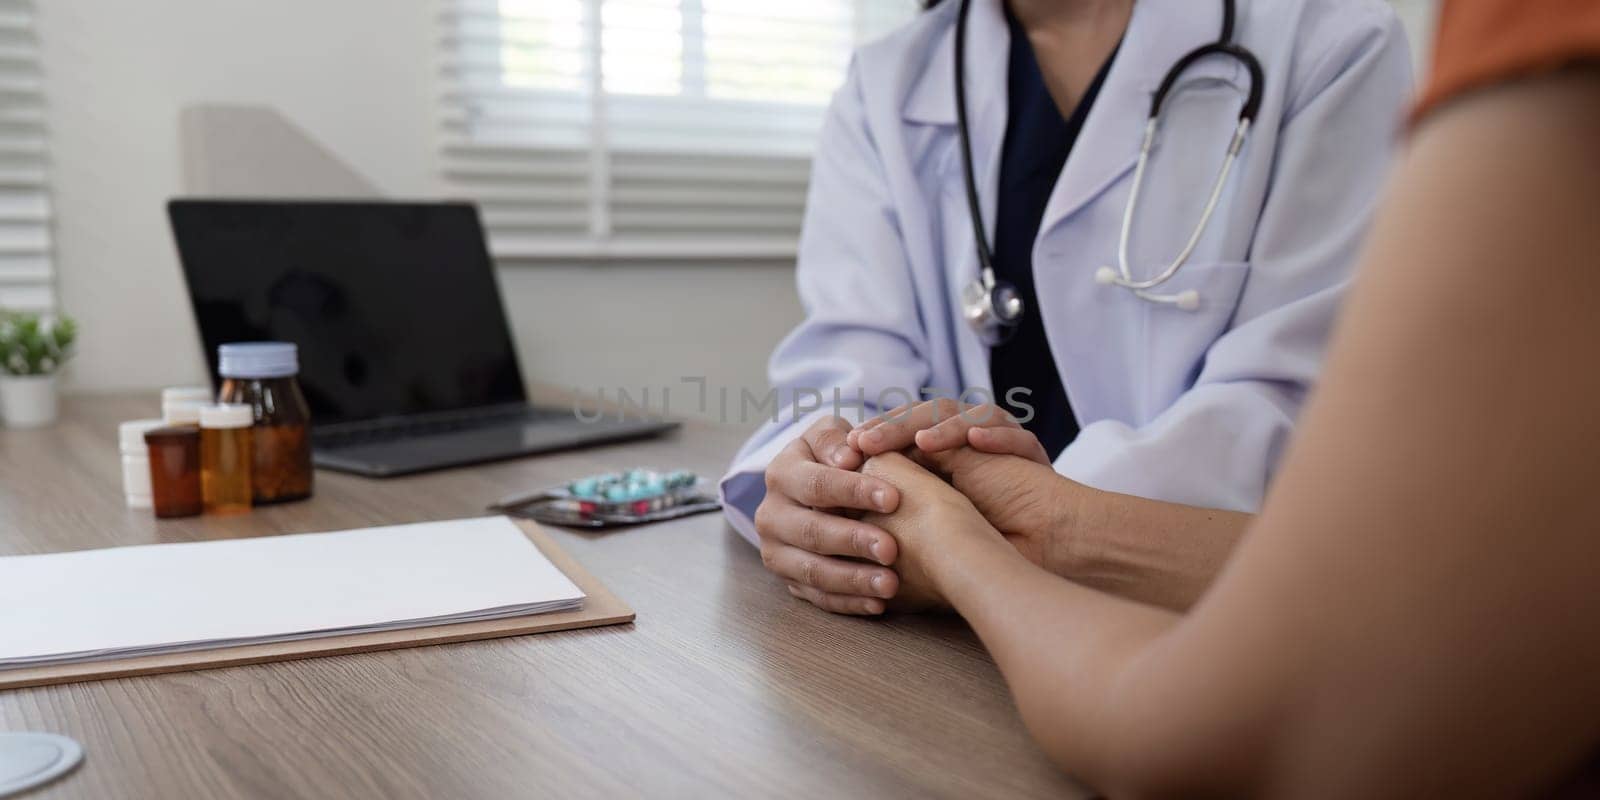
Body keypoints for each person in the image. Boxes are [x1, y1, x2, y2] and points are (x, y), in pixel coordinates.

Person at [854, 0, 1600, 793]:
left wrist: (960, 538)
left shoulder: (1369, 31)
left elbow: (1242, 738)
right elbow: (837, 370)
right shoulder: (889, 75)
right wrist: (847, 479)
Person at [719, 0, 1414, 615]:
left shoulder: (1333, 44)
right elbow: (845, 374)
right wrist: (820, 480)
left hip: (1207, 620)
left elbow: (1292, 404)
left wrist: (1015, 528)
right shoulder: (887, 80)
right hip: (936, 626)